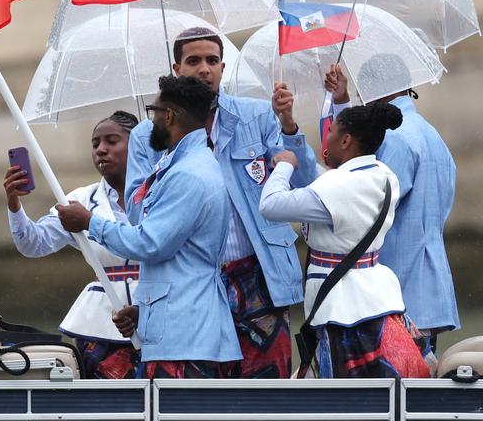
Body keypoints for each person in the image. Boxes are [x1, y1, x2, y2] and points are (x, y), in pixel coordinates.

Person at [130, 28, 318, 378]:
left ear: (222, 67)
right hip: (190, 282)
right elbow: (136, 211)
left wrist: (289, 126)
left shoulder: (260, 116)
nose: (204, 69)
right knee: (193, 400)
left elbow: (306, 186)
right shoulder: (148, 134)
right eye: (193, 61)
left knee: (267, 394)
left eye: (212, 61)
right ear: (176, 68)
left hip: (258, 275)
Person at [56, 76, 241, 378]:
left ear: (169, 115)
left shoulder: (188, 175)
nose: (150, 122)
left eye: (154, 112)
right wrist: (145, 312)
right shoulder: (182, 166)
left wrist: (90, 222)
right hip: (179, 327)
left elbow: (150, 243)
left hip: (185, 340)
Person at [259, 103, 431, 378]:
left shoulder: (339, 185)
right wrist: (290, 127)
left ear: (346, 140)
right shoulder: (384, 176)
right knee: (382, 394)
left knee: (345, 397)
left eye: (332, 132)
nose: (327, 138)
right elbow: (323, 184)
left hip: (342, 307)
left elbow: (270, 205)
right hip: (377, 296)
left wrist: (284, 167)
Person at [323, 58, 459, 354]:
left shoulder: (395, 139)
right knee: (419, 389)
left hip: (398, 289)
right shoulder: (433, 136)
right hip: (430, 288)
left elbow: (367, 206)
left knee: (390, 394)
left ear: (374, 91)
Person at [4, 111, 141, 378]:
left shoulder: (163, 192)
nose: (101, 150)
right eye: (95, 144)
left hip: (160, 311)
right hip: (102, 321)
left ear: (138, 144)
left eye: (112, 141)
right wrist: (13, 204)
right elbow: (33, 244)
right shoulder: (79, 200)